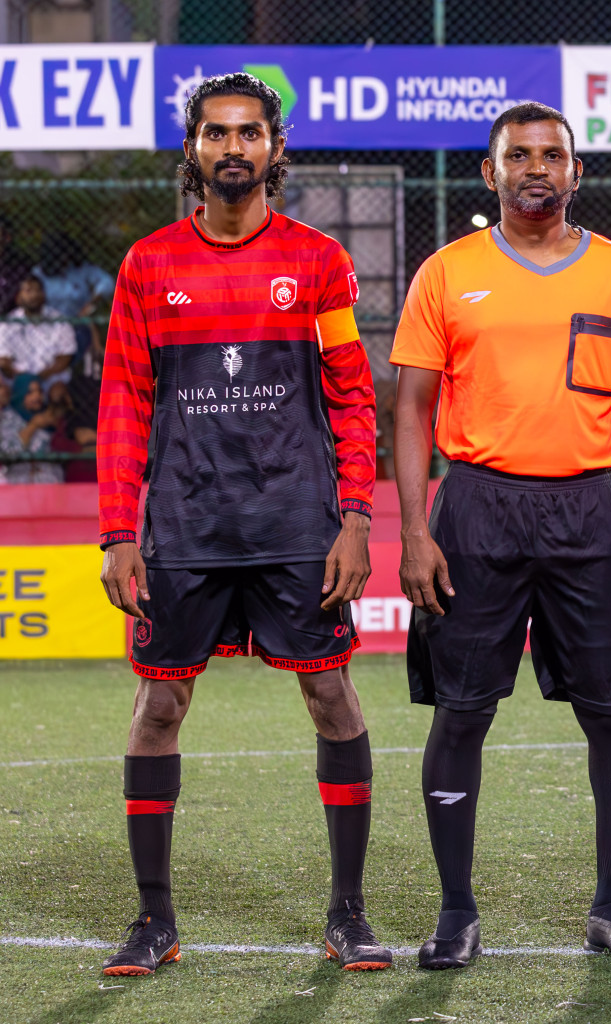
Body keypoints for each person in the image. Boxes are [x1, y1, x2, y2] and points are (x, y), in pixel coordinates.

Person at [95, 73, 389, 975]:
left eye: (249, 134)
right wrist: (118, 532)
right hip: (184, 529)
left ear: (274, 148)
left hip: (298, 527)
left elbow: (350, 393)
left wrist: (355, 515)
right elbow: (123, 405)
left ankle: (348, 913)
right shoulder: (149, 265)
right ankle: (155, 922)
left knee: (333, 698)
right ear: (193, 149)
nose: (233, 149)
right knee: (158, 707)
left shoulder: (318, 262)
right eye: (217, 135)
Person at [392, 102, 611, 968]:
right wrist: (414, 529)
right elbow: (409, 407)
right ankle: (455, 912)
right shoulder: (446, 273)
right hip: (475, 510)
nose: (537, 168)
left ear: (577, 172)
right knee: (462, 713)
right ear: (491, 172)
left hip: (590, 512)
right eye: (519, 155)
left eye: (554, 154)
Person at [0, 274, 76, 386]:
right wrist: (21, 378)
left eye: (38, 290)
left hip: (50, 376)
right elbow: (3, 360)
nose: (34, 295)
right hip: (16, 378)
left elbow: (66, 356)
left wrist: (45, 374)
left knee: (58, 393)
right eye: (28, 291)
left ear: (44, 295)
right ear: (19, 297)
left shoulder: (60, 320)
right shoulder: (7, 324)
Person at [0, 374, 64, 483]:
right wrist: (33, 426)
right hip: (17, 482)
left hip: (48, 482)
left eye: (40, 391)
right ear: (20, 394)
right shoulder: (7, 418)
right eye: (30, 392)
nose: (37, 396)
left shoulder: (48, 417)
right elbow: (9, 453)